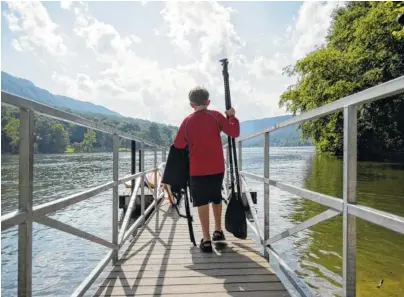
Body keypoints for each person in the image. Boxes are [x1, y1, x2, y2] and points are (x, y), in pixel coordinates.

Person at [173, 86, 240, 252]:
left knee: (201, 201)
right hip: (217, 167)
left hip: (197, 169)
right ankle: (218, 230)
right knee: (216, 198)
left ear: (191, 105)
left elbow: (178, 144)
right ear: (208, 102)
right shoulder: (216, 116)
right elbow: (234, 132)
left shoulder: (187, 121)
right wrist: (231, 116)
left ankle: (207, 239)